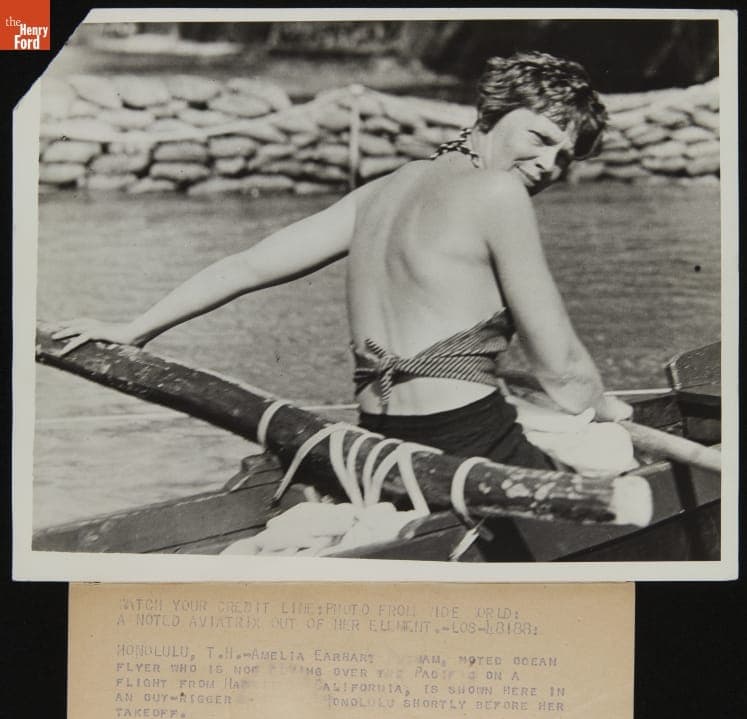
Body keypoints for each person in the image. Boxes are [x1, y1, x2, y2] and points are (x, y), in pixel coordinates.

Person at [54, 51, 632, 471]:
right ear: (490, 116)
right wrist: (602, 410)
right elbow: (562, 368)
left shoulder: (384, 189)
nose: (550, 165)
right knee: (617, 464)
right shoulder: (499, 193)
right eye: (541, 138)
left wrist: (135, 328)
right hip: (467, 444)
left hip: (380, 438)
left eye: (566, 157)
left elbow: (247, 266)